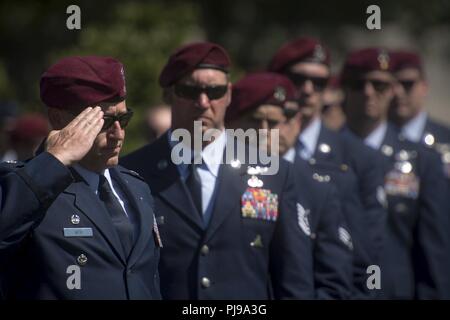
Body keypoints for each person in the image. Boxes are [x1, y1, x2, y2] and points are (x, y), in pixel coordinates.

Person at [121, 42, 314, 299]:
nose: (203, 102)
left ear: (229, 94)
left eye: (215, 90)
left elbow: (293, 282)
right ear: (168, 95)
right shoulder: (132, 172)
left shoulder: (273, 172)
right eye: (190, 90)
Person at [0, 56, 161, 300]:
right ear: (58, 119)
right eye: (104, 121)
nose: (118, 134)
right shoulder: (28, 185)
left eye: (123, 119)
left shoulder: (136, 186)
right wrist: (55, 160)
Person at [268, 37, 387, 297]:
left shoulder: (356, 158)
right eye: (298, 79)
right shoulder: (252, 152)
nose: (308, 90)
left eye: (319, 82)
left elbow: (365, 261)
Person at [226, 72, 353, 299]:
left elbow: (336, 281)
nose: (264, 132)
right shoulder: (215, 181)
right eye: (254, 120)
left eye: (275, 122)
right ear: (230, 123)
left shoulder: (318, 188)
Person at [341, 47, 450, 299]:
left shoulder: (423, 160)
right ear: (343, 89)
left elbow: (434, 254)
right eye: (359, 84)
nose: (369, 93)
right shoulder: (319, 157)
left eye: (379, 85)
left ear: (391, 90)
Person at [388, 50, 450, 177]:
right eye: (390, 85)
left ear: (424, 87)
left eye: (407, 84)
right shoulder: (377, 139)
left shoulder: (446, 139)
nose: (398, 92)